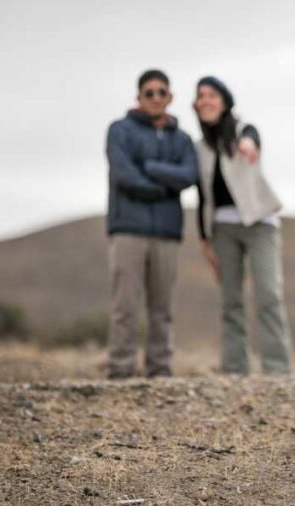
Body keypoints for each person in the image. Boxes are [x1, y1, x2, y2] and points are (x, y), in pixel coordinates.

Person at [193, 76, 292, 375]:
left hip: (260, 223)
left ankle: (277, 370)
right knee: (230, 301)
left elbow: (252, 138)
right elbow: (202, 194)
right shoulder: (200, 148)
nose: (206, 100)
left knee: (268, 294)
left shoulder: (242, 131)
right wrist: (204, 238)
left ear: (224, 100)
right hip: (222, 227)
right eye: (201, 96)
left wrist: (249, 144)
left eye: (212, 95)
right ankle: (234, 369)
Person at [105, 69, 197, 379]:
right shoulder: (120, 130)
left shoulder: (182, 139)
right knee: (125, 307)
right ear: (139, 97)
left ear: (170, 97)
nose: (156, 98)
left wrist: (151, 168)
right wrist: (163, 186)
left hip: (167, 234)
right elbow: (123, 174)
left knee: (162, 309)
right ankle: (120, 371)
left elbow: (188, 176)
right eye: (149, 93)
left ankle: (160, 371)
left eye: (162, 92)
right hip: (128, 230)